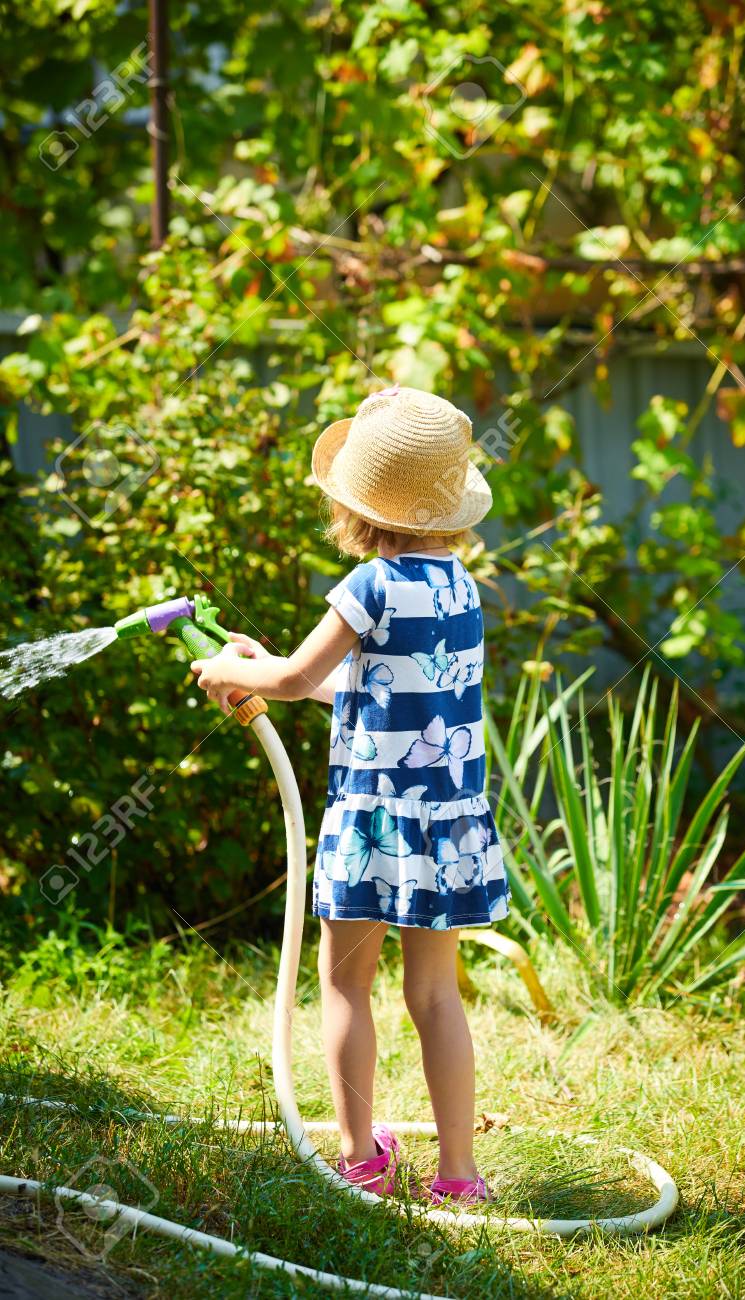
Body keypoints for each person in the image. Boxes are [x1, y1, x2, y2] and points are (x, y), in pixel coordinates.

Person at [192, 384, 509, 1202]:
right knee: (435, 994)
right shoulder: (460, 590)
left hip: (374, 824)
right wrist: (271, 664)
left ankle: (363, 1158)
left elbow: (298, 678)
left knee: (344, 986)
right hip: (442, 824)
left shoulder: (369, 585)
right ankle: (459, 1174)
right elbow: (395, 696)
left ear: (359, 506)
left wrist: (234, 669)